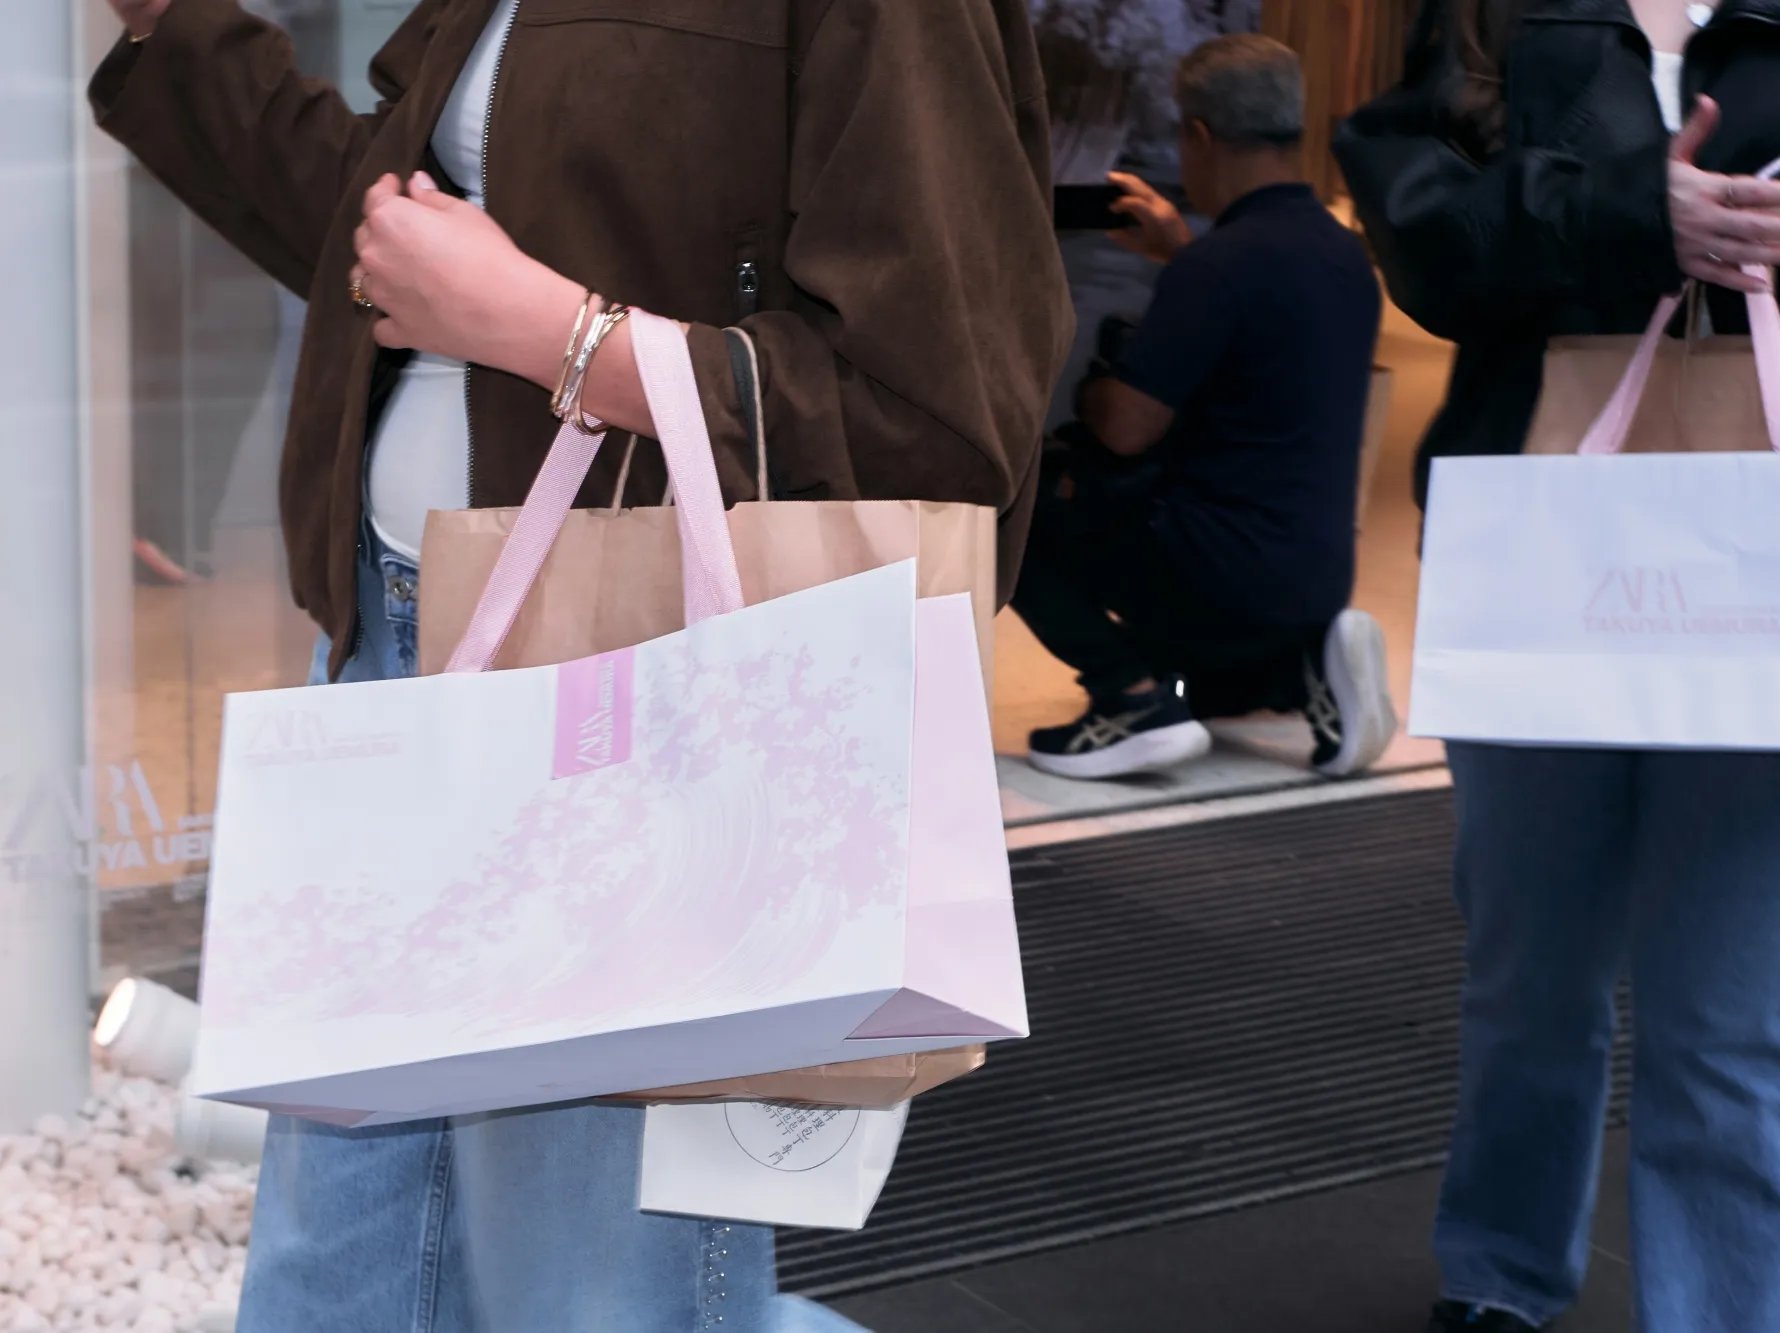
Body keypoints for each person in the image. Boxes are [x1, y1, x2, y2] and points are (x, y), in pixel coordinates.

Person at [89, 0, 1072, 1328]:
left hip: (639, 691)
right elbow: (384, 242)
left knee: (596, 1292)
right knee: (341, 1281)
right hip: (407, 658)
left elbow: (944, 412)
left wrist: (566, 338)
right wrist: (180, 30)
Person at [1335, 0, 1780, 1324]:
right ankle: (1500, 1276)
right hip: (1546, 527)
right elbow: (1419, 224)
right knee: (1528, 978)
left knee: (1735, 1016)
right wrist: (1631, 214)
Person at [1012, 33, 1398, 782]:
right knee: (1212, 683)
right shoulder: (1344, 256)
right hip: (1314, 574)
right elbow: (1262, 339)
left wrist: (1089, 386)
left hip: (1217, 580)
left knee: (1017, 515)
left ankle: (1130, 699)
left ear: (1198, 135)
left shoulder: (1220, 270)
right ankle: (1305, 671)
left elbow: (1125, 430)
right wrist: (1182, 254)